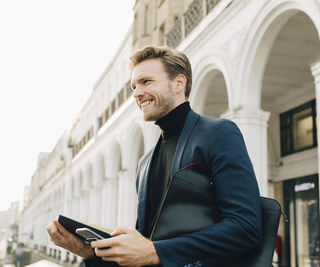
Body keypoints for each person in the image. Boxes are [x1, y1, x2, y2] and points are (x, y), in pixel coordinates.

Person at [47, 45, 262, 267]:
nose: (137, 93)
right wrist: (92, 253)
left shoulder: (219, 134)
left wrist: (155, 251)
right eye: (133, 86)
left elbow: (245, 228)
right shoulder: (144, 163)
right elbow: (142, 253)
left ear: (179, 83)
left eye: (146, 82)